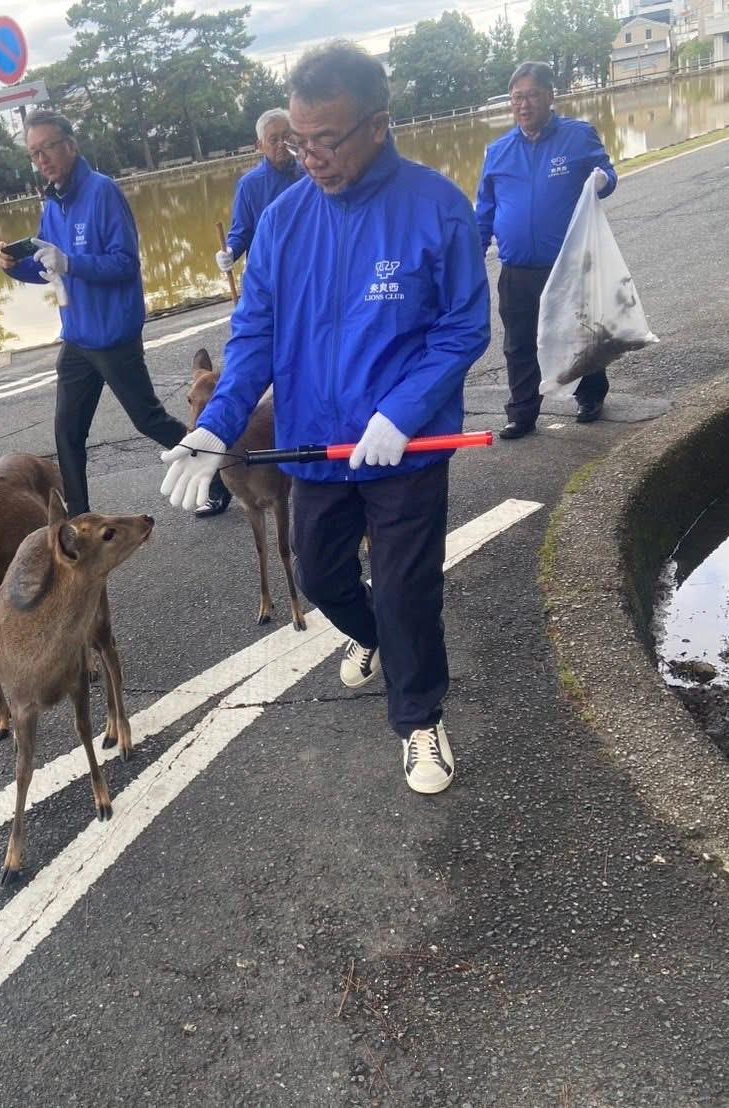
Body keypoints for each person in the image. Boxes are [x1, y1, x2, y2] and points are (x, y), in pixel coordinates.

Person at [161, 41, 490, 795]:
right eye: (297, 142)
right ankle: (382, 641)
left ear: (377, 124)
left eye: (324, 141)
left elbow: (462, 329)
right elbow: (255, 337)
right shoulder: (281, 223)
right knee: (321, 574)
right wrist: (216, 423)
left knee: (408, 588)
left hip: (403, 448)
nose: (308, 157)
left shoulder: (434, 206)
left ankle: (419, 718)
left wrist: (401, 414)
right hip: (314, 445)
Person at [0, 109, 232, 518]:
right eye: (34, 153)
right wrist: (17, 267)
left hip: (112, 336)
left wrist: (71, 263)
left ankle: (217, 475)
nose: (43, 159)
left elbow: (124, 263)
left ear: (70, 144)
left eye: (48, 147)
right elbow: (51, 265)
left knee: (147, 419)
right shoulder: (52, 205)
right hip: (77, 338)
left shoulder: (102, 193)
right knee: (67, 432)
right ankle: (79, 522)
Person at [475, 61, 617, 439]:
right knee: (519, 343)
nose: (523, 104)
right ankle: (521, 413)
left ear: (550, 96)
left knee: (577, 334)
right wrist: (476, 249)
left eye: (531, 95)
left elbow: (607, 174)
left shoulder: (578, 136)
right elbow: (485, 209)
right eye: (516, 98)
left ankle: (590, 395)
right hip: (517, 269)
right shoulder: (498, 151)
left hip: (566, 264)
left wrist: (603, 180)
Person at [215, 108, 303, 274]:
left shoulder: (312, 174)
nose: (282, 144)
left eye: (286, 136)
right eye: (274, 139)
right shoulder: (249, 185)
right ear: (260, 146)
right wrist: (229, 252)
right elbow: (241, 232)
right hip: (269, 271)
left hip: (309, 267)